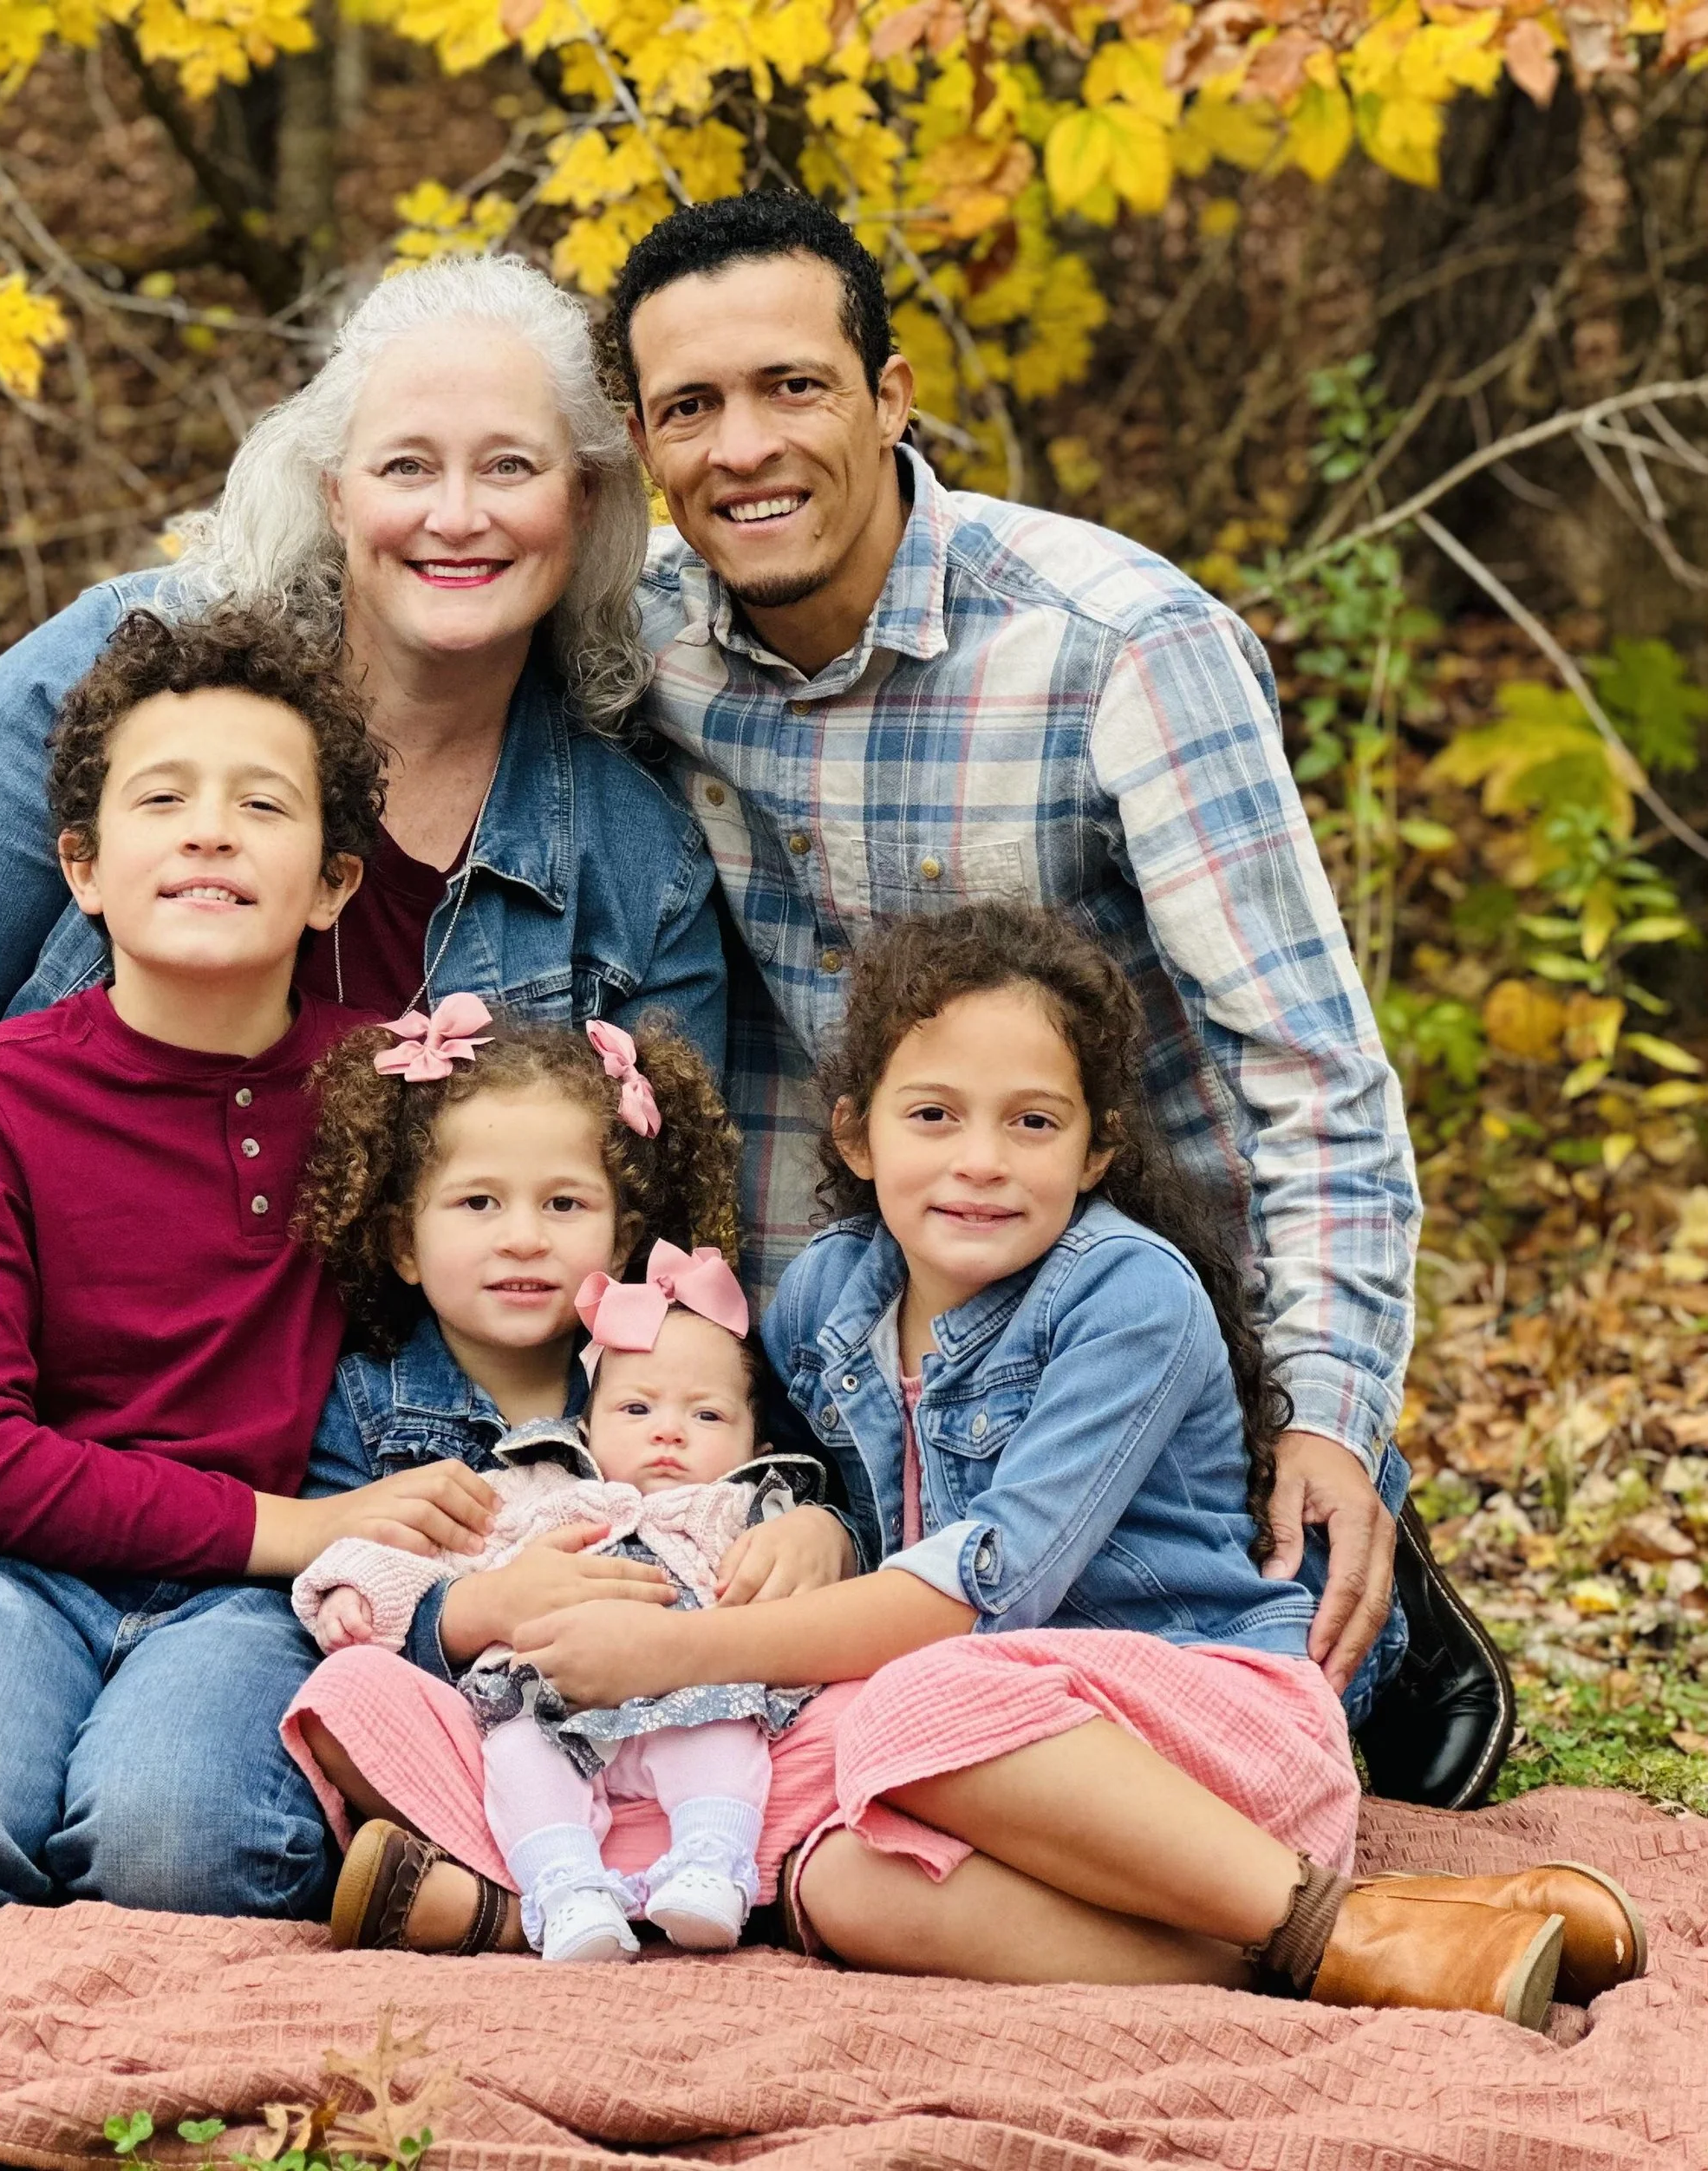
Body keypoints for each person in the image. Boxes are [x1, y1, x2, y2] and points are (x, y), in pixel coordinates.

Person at [0, 254, 727, 1770]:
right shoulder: (129, 669)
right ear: (332, 490)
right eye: (407, 465)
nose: (455, 515)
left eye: (511, 468)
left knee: (183, 1762)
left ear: (590, 507)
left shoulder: (629, 845)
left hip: (214, 1376)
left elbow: (662, 1239)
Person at [321, 902, 1646, 2024]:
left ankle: (1313, 1914)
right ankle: (1366, 1948)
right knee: (831, 1878)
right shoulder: (828, 1296)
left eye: (1031, 1124)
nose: (978, 1162)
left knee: (903, 1698)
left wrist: (679, 1655)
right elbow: (800, 1489)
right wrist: (818, 1530)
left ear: (1098, 1151)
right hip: (974, 1764)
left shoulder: (1129, 1297)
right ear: (857, 1136)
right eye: (935, 1113)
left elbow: (984, 1594)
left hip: (1194, 1734)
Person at [607, 191, 1509, 1806]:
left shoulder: (1114, 645)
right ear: (644, 444)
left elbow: (1312, 1069)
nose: (745, 445)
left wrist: (1328, 1414)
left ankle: (1368, 1610)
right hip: (867, 1344)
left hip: (1145, 1341)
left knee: (1184, 1700)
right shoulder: (643, 652)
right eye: (692, 408)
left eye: (793, 387)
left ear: (890, 396)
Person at [0, 606, 499, 1920]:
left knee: (183, 1860)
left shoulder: (385, 1087)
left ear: (336, 882)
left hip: (254, 1605)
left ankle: (111, 1765)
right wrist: (291, 1528)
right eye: (162, 798)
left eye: (263, 807)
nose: (211, 829)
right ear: (84, 867)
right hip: (13, 1574)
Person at [279, 1007, 862, 1949]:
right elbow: (346, 1583)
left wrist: (824, 1533)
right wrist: (474, 1610)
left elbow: (797, 1480)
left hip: (709, 1713)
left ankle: (556, 1899)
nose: (522, 1238)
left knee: (857, 1706)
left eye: (563, 1205)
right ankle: (578, 1885)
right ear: (400, 1240)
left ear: (623, 1237)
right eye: (477, 1204)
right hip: (513, 1735)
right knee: (346, 1695)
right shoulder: (364, 1399)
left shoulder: (696, 1362)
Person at [301, 1240, 822, 1961]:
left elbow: (821, 1615)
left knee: (736, 1733)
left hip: (697, 1705)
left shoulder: (749, 1510)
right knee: (498, 1749)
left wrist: (817, 1536)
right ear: (585, 1427)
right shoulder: (538, 1492)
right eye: (637, 1408)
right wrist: (352, 1589)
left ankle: (711, 1866)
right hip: (544, 1708)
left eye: (706, 1417)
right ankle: (569, 1889)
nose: (669, 1431)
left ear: (752, 1441)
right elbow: (421, 1552)